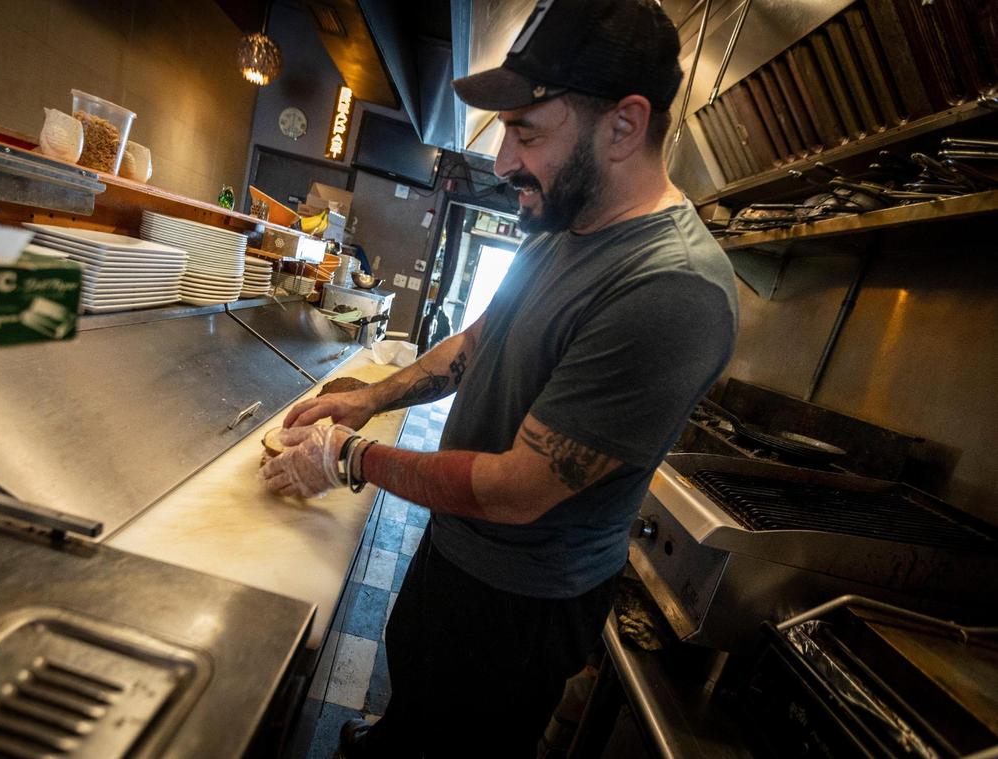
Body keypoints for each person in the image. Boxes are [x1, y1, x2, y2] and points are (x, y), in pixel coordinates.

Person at [259, 0, 739, 755]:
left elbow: (520, 488)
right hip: (459, 553)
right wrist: (367, 399)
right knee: (415, 691)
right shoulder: (563, 226)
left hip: (522, 605)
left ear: (623, 125)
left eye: (526, 130)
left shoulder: (672, 288)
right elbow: (479, 342)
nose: (503, 160)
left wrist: (346, 458)